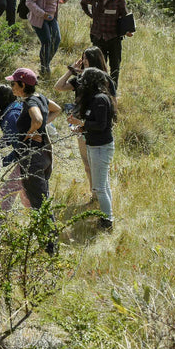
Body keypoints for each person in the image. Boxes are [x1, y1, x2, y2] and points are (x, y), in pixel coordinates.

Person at [55, 46, 113, 192]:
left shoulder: (106, 79)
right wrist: (71, 70)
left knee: (99, 164)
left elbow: (112, 103)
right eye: (83, 57)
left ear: (94, 59)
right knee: (87, 162)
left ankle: (102, 193)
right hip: (82, 126)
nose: (84, 61)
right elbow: (59, 86)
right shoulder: (80, 79)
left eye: (86, 57)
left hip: (99, 126)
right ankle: (94, 193)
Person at [66, 68, 117, 230]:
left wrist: (81, 124)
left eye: (83, 82)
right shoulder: (94, 99)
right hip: (95, 145)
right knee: (103, 185)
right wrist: (81, 128)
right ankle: (107, 217)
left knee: (100, 187)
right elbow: (93, 124)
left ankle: (107, 221)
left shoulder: (100, 99)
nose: (80, 86)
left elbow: (101, 125)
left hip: (101, 147)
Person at [6, 68, 61, 210]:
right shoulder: (40, 97)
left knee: (39, 204)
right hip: (42, 154)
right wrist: (40, 127)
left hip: (32, 158)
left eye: (14, 84)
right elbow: (57, 109)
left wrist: (30, 132)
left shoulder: (30, 101)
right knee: (40, 199)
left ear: (23, 85)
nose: (12, 87)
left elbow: (37, 119)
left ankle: (50, 232)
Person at [79, 0, 133, 90]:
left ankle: (112, 91)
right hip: (97, 37)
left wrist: (127, 30)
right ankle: (99, 90)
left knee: (115, 67)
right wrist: (90, 15)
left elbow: (124, 15)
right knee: (98, 66)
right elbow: (83, 2)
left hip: (114, 38)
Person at [0, 84, 29, 210]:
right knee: (27, 195)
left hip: (32, 158)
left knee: (8, 192)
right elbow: (12, 137)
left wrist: (3, 162)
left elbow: (22, 147)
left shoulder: (10, 116)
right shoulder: (11, 110)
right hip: (35, 156)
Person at [26, 0, 67, 76]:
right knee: (47, 42)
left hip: (51, 17)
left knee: (57, 39)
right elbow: (29, 2)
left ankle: (46, 63)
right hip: (40, 18)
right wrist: (43, 14)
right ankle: (44, 68)